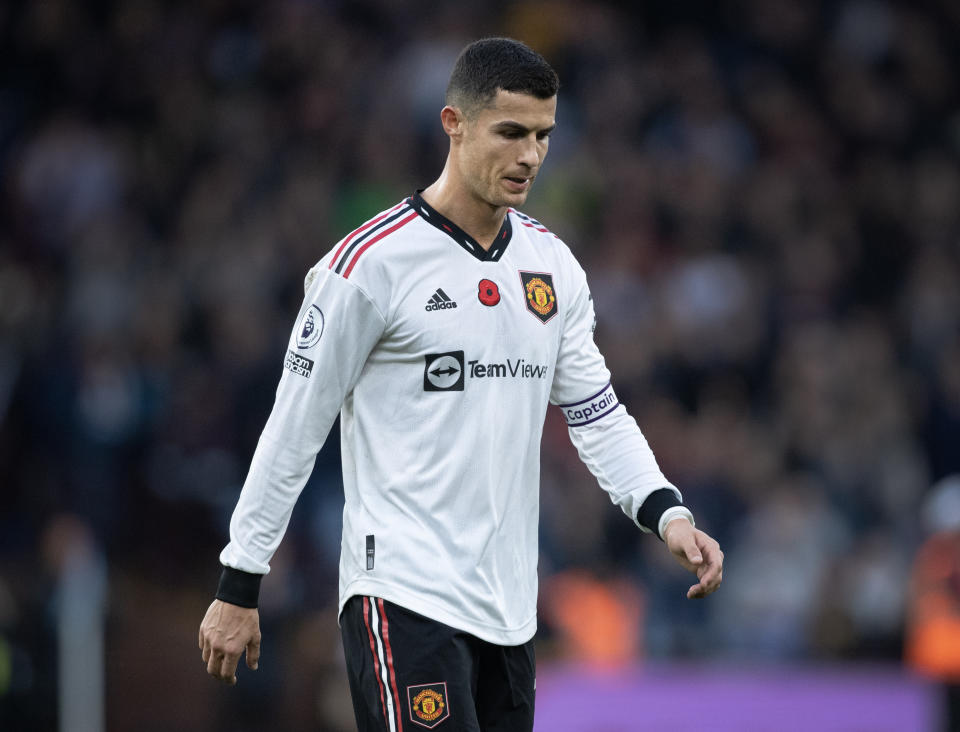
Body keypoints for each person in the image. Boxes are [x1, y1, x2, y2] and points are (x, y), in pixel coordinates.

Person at [199, 37, 723, 732]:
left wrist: (667, 513)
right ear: (454, 124)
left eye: (543, 135)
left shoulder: (552, 267)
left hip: (508, 608)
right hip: (402, 595)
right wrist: (241, 581)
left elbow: (596, 414)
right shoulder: (367, 267)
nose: (530, 155)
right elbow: (293, 429)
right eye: (510, 132)